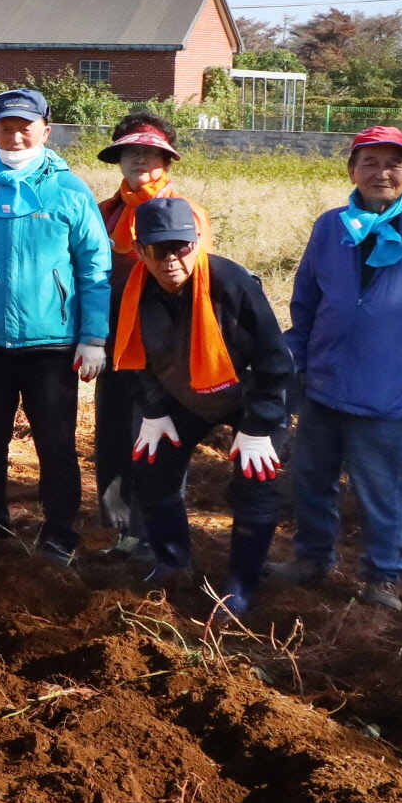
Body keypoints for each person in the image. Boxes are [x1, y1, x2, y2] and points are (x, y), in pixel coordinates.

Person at [283, 125, 402, 612]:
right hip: (323, 381)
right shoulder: (330, 227)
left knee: (383, 487)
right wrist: (290, 363)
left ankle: (382, 577)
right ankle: (311, 558)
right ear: (352, 170)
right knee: (310, 477)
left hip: (388, 388)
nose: (380, 173)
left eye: (393, 163)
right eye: (369, 162)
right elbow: (305, 302)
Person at [0, 87, 112, 560]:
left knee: (55, 443)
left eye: (25, 126)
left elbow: (95, 267)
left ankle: (59, 533)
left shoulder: (70, 190)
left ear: (45, 131)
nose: (15, 135)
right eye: (6, 126)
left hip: (52, 343)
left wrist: (93, 336)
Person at [117, 195, 295, 617]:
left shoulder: (232, 282)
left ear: (196, 242)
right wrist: (155, 409)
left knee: (257, 478)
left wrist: (258, 426)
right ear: (140, 251)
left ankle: (241, 585)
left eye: (180, 247)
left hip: (250, 393)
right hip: (185, 396)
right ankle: (173, 561)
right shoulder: (130, 291)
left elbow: (275, 360)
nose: (170, 260)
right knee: (151, 464)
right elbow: (134, 357)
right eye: (157, 250)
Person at [93, 112, 204, 555]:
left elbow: (196, 283)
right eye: (131, 151)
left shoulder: (186, 212)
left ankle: (155, 535)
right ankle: (124, 532)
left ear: (167, 160)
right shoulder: (104, 212)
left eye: (150, 152)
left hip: (163, 353)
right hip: (112, 346)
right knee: (114, 438)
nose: (140, 159)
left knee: (156, 440)